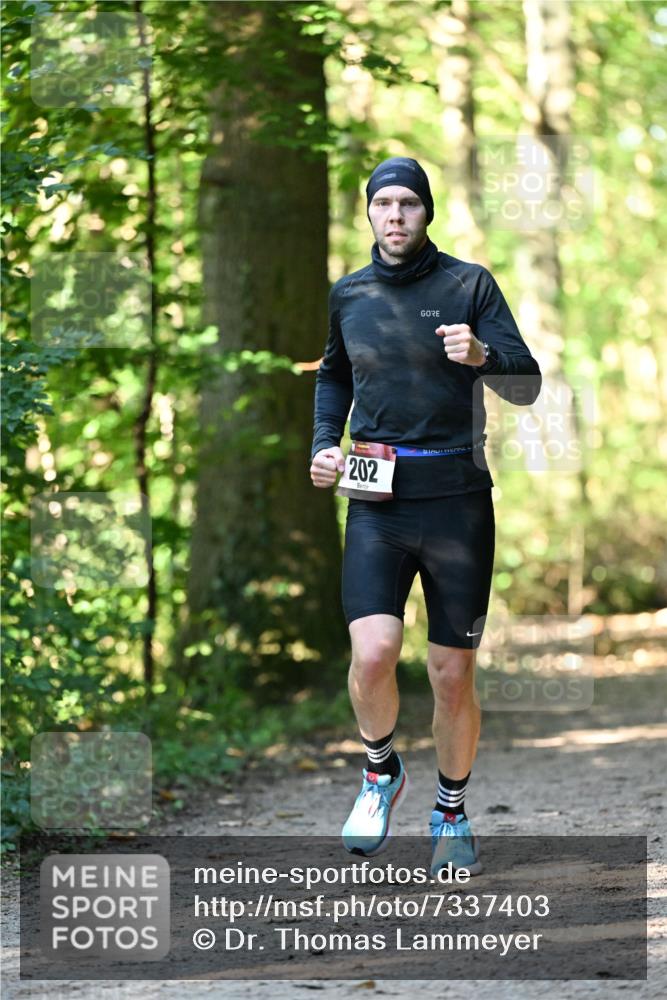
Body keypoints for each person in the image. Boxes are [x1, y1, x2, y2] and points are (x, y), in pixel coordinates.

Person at [309, 156, 541, 876]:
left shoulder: (468, 285)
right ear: (369, 214)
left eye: (408, 203)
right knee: (373, 653)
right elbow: (334, 376)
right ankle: (380, 772)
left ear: (426, 211)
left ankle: (450, 811)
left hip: (457, 506)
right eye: (383, 204)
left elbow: (526, 383)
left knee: (449, 675)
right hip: (376, 501)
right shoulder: (347, 294)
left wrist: (481, 354)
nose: (396, 215)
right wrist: (323, 446)